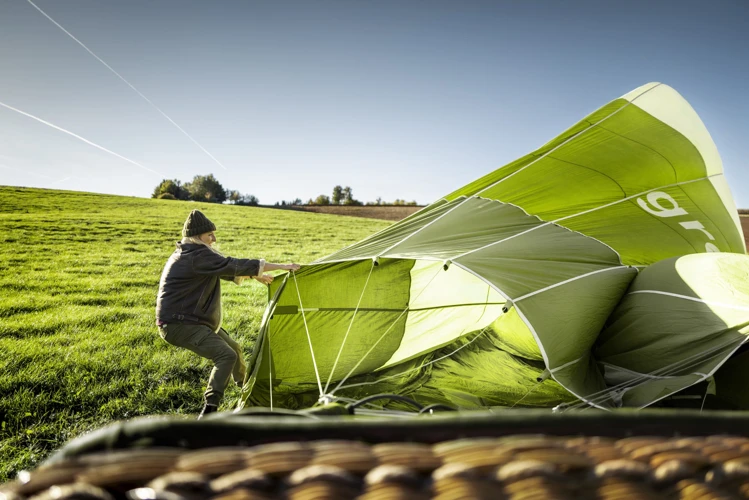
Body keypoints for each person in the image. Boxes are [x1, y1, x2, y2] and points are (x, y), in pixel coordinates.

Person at [156, 209, 300, 418]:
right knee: (226, 356)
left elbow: (222, 269)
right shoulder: (195, 255)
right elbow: (231, 264)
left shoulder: (190, 252)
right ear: (197, 237)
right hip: (179, 324)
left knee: (234, 348)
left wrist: (254, 275)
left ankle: (247, 392)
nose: (213, 239)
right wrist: (282, 266)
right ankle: (209, 411)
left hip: (192, 320)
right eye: (209, 235)